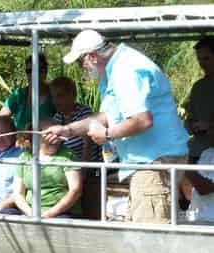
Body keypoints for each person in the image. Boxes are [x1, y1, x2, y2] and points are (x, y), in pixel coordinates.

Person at [42, 29, 188, 224]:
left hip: (155, 163)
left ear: (92, 57)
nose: (81, 68)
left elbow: (142, 119)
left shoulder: (125, 70)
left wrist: (108, 135)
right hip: (148, 162)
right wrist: (67, 130)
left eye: (80, 62)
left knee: (150, 234)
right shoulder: (114, 69)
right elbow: (107, 116)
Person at [0, 121, 83, 218]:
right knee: (3, 216)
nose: (54, 138)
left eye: (57, 134)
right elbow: (18, 194)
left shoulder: (68, 156)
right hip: (30, 211)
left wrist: (49, 214)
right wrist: (31, 213)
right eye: (49, 134)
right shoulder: (25, 157)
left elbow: (75, 190)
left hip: (61, 213)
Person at [0, 54, 55, 130]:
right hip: (20, 140)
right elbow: (0, 119)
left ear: (45, 72)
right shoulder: (18, 95)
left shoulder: (55, 94)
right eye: (29, 71)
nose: (33, 74)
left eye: (38, 70)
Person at [49, 76, 99, 163]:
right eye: (53, 96)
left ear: (72, 95)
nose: (55, 100)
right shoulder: (57, 117)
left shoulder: (84, 113)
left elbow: (87, 147)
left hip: (89, 168)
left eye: (60, 96)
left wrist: (83, 171)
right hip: (68, 166)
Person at [185, 36, 214, 164]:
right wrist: (190, 125)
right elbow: (190, 117)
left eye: (206, 59)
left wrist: (209, 125)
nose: (202, 64)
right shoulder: (198, 87)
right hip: (197, 152)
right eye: (199, 59)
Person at [184, 113, 214, 223]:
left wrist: (183, 164)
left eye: (211, 128)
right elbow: (189, 192)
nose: (208, 132)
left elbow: (205, 188)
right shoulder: (207, 153)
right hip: (195, 219)